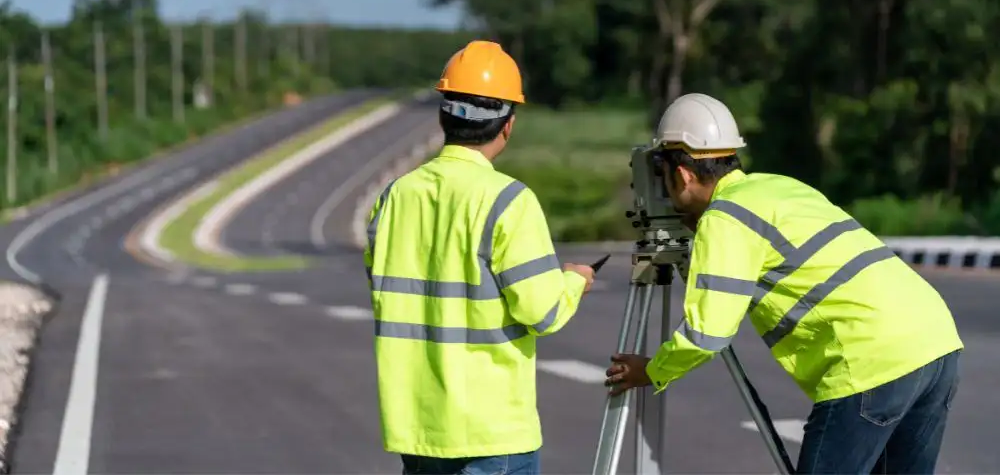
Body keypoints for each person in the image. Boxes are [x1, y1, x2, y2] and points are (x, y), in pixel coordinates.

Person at [604, 92, 963, 474]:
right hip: (936, 344)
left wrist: (653, 371)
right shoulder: (776, 186)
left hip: (871, 359)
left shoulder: (725, 219)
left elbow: (708, 335)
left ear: (682, 174)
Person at [364, 40, 596, 475]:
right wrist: (573, 281)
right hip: (491, 437)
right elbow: (543, 312)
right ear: (508, 124)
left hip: (417, 433)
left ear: (443, 116)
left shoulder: (394, 197)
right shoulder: (509, 201)